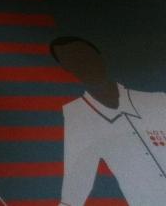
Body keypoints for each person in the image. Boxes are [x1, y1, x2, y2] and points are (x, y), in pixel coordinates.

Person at [51, 36, 166, 205]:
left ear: (99, 55)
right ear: (66, 68)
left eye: (86, 55)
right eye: (73, 60)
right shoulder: (77, 114)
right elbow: (76, 186)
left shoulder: (157, 100)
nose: (85, 63)